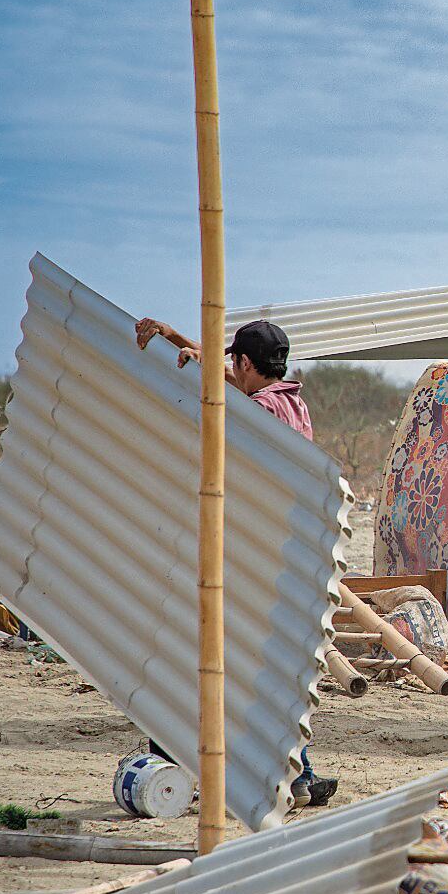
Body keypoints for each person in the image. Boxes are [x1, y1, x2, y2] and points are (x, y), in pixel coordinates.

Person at [133, 316, 337, 808]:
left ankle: (169, 763)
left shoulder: (255, 413)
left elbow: (229, 402)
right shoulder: (290, 402)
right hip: (287, 551)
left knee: (202, 653)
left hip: (254, 552)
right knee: (266, 668)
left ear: (246, 362)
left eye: (233, 361)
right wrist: (181, 342)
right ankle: (300, 775)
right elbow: (233, 379)